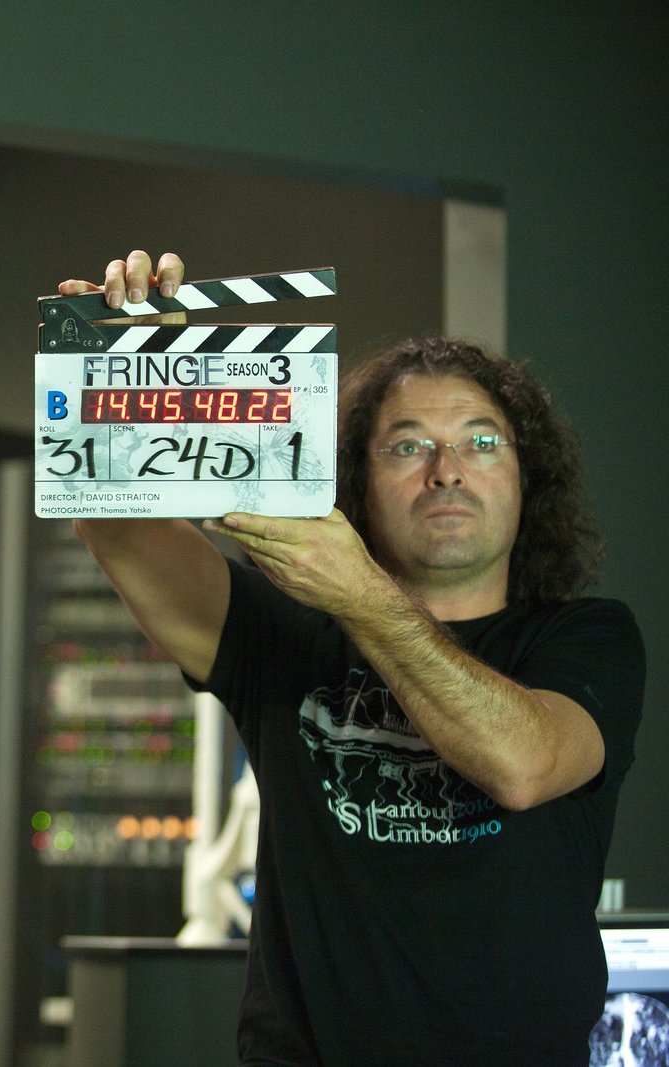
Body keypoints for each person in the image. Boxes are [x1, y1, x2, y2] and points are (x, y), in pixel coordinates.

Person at [65, 251, 644, 1065]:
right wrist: (118, 375)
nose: (447, 471)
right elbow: (117, 530)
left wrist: (363, 595)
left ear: (527, 478)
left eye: (481, 442)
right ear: (356, 482)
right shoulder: (284, 634)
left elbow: (521, 763)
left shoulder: (587, 638)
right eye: (407, 447)